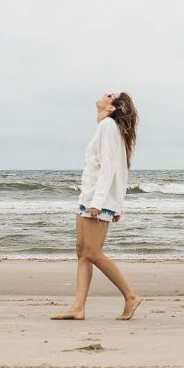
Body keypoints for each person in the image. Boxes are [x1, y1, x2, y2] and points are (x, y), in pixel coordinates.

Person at [52, 92, 143, 321]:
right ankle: (78, 307)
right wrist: (107, 203)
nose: (105, 94)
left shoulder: (108, 128)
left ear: (111, 108)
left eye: (110, 95)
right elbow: (116, 168)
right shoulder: (106, 127)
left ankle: (131, 296)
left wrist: (99, 203)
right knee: (82, 253)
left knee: (92, 252)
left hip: (96, 201)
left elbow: (109, 168)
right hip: (90, 198)